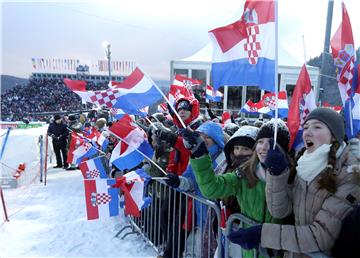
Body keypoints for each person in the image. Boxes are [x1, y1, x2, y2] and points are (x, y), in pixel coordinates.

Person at [227, 108, 360, 257]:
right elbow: (280, 210)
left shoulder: (349, 174)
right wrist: (277, 174)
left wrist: (263, 234)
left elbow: (320, 235)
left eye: (317, 127)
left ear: (334, 137)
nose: (307, 132)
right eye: (306, 127)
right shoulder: (304, 166)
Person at [181, 119, 291, 258]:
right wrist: (200, 154)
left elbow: (280, 212)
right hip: (248, 251)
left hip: (276, 250)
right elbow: (212, 188)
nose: (263, 147)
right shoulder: (244, 173)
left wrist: (277, 175)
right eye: (261, 142)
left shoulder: (292, 175)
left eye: (271, 143)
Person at [164, 121, 226, 257]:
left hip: (219, 218)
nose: (203, 140)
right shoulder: (195, 158)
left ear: (216, 139)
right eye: (200, 136)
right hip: (201, 214)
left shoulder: (224, 159)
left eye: (207, 137)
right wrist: (178, 182)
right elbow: (190, 182)